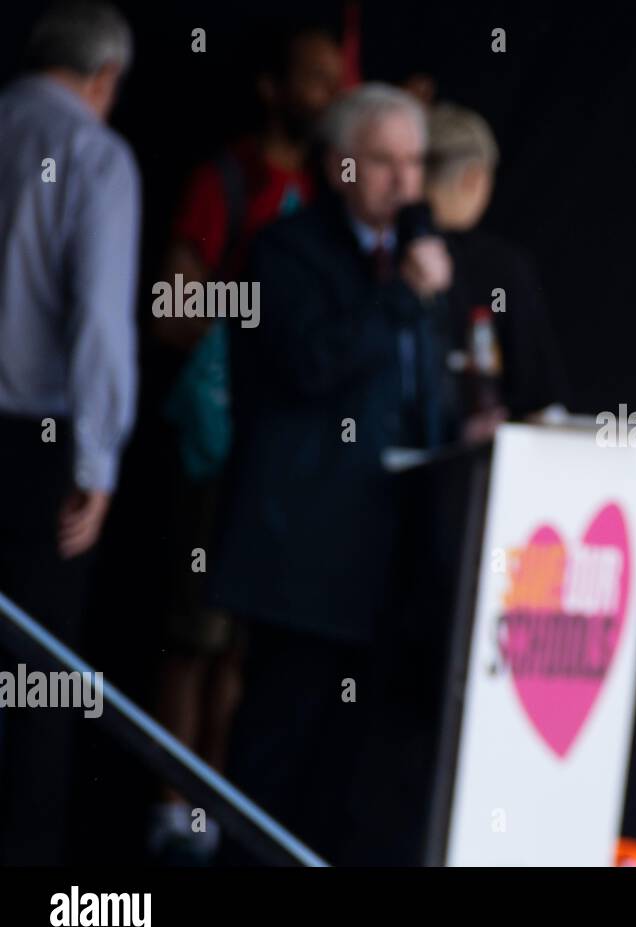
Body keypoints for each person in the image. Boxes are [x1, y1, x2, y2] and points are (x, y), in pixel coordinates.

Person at [209, 83, 457, 864]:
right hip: (304, 560)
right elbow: (311, 364)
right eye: (383, 161)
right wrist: (403, 297)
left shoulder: (418, 261)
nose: (404, 181)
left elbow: (420, 390)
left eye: (415, 162)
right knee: (276, 750)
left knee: (350, 773)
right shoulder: (287, 252)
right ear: (339, 166)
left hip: (393, 558)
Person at [147, 24, 345, 865]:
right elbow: (169, 307)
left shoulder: (335, 196)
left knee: (247, 648)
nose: (329, 98)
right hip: (219, 448)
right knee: (195, 635)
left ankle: (218, 808)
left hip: (294, 465)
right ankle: (168, 811)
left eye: (339, 83)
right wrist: (254, 319)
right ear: (273, 88)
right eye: (314, 80)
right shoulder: (228, 180)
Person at [0, 0, 140, 864]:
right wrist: (97, 459)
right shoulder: (93, 153)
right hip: (36, 447)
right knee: (38, 677)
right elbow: (98, 321)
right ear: (104, 77)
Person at [423, 103, 571, 432]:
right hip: (474, 457)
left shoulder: (377, 250)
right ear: (474, 178)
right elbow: (542, 399)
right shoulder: (503, 268)